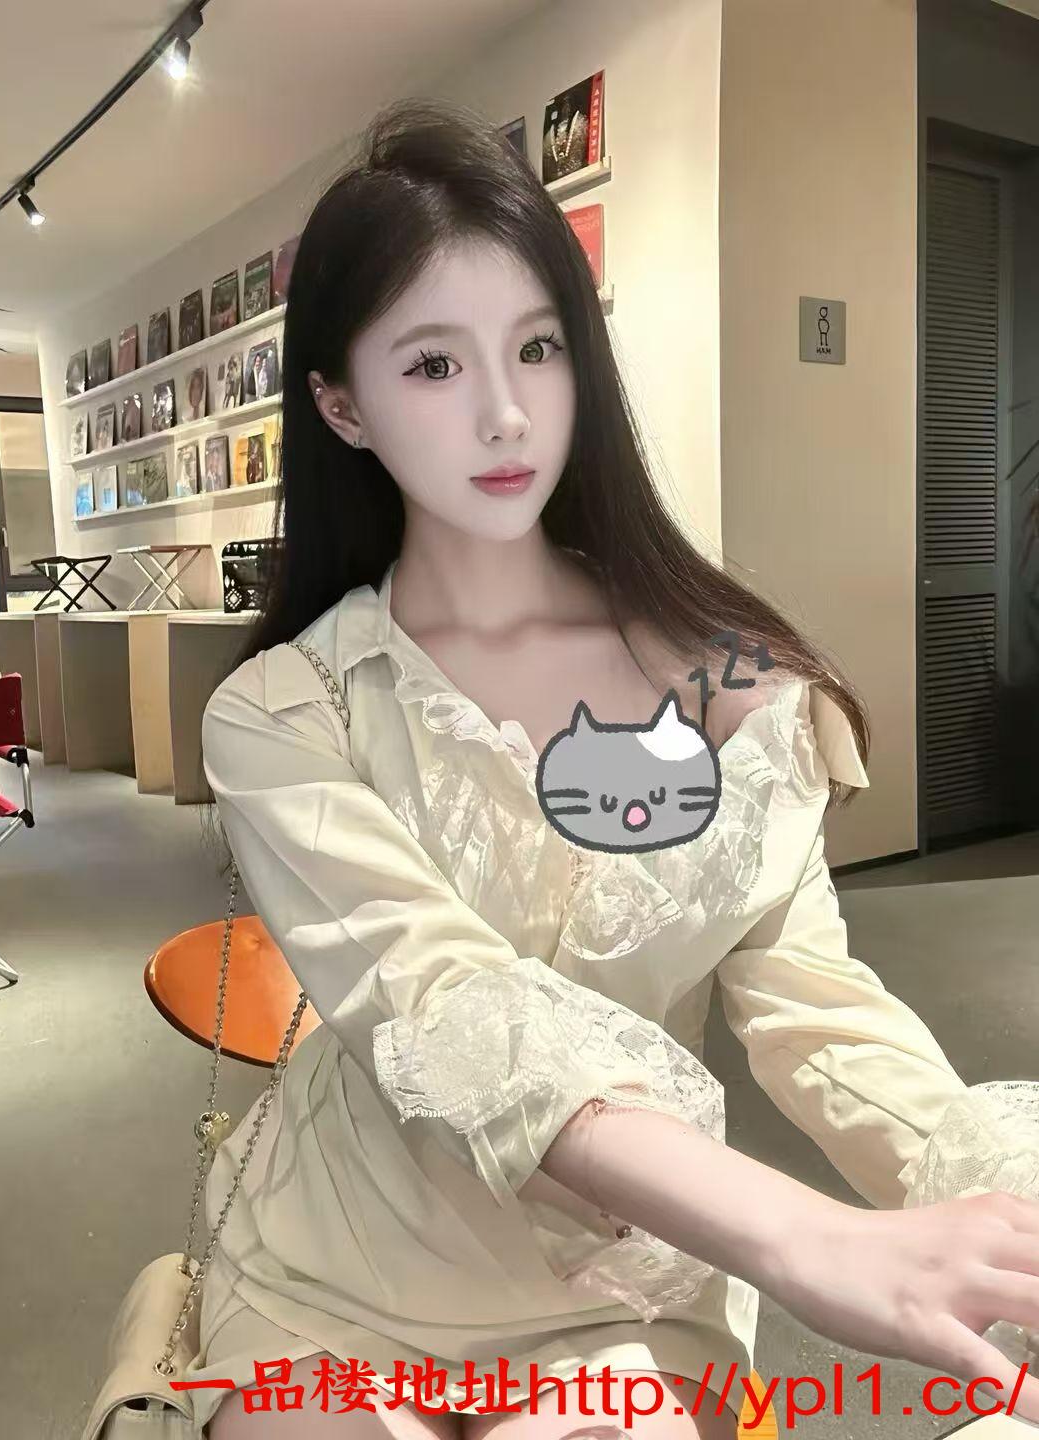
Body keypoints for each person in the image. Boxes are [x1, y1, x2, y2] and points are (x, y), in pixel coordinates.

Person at [184, 98, 1039, 1438]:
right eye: (433, 365)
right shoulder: (290, 712)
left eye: (537, 348)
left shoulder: (735, 683)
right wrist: (807, 1239)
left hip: (617, 1296)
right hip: (333, 1278)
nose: (505, 413)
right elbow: (444, 1001)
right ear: (341, 406)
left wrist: (998, 1200)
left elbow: (819, 1015)